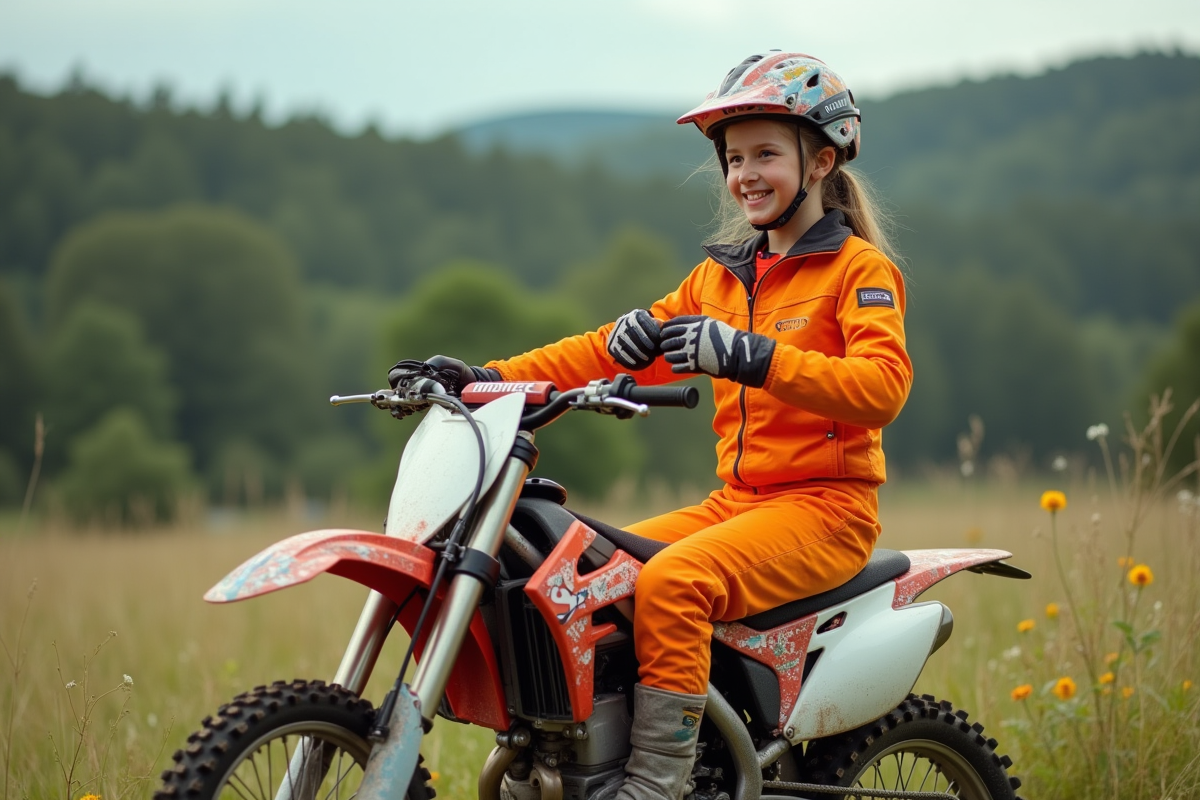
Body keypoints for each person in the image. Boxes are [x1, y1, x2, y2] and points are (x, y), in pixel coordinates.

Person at [417, 52, 911, 800]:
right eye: (733, 157)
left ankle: (654, 784)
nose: (745, 173)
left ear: (821, 159)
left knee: (674, 581)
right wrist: (484, 378)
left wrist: (751, 356)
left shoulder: (858, 269)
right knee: (592, 578)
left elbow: (882, 390)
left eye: (766, 154)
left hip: (826, 512)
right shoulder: (718, 280)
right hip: (737, 505)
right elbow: (598, 346)